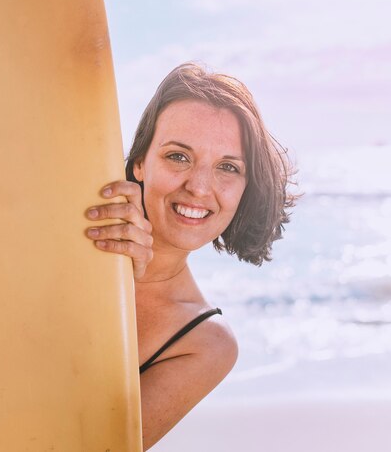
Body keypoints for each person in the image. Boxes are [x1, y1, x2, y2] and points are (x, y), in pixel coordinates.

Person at [85, 62, 296, 450]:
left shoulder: (204, 343)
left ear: (246, 190)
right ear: (140, 162)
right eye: (178, 157)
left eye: (227, 167)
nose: (199, 187)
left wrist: (114, 291)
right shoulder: (68, 221)